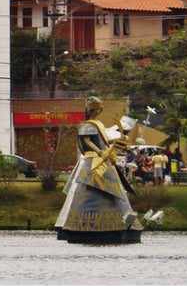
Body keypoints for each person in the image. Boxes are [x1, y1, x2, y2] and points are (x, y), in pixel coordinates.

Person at [55, 97, 143, 243]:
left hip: (104, 161)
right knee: (96, 186)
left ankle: (123, 224)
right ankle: (85, 225)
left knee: (114, 190)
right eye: (97, 109)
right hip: (94, 161)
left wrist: (119, 141)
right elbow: (87, 141)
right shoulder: (87, 125)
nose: (99, 111)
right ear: (94, 110)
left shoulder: (98, 124)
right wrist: (100, 152)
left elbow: (104, 141)